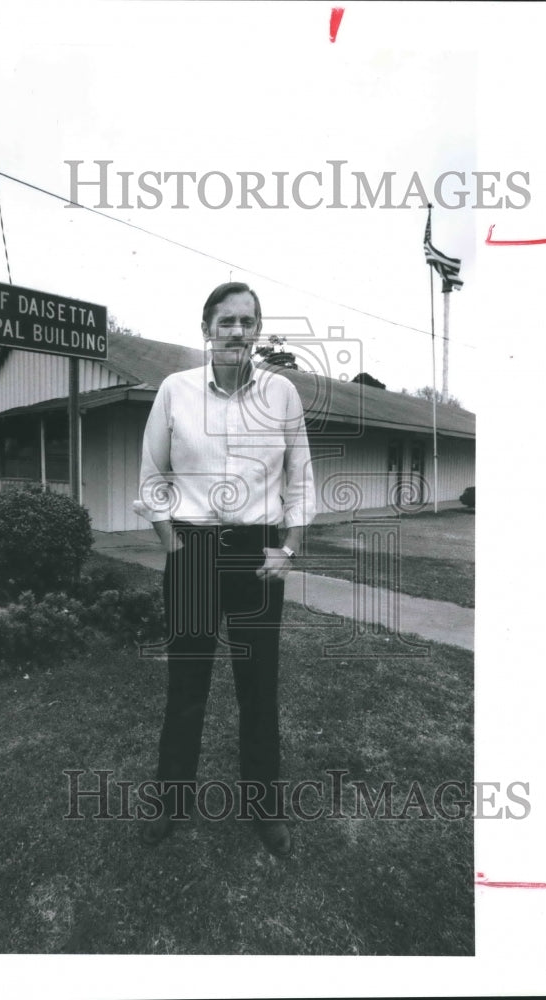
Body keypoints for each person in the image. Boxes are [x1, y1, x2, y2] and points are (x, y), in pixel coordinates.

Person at [133, 281, 316, 858]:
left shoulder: (281, 393)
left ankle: (264, 809)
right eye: (226, 321)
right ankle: (171, 803)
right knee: (187, 687)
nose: (238, 331)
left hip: (257, 556)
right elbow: (151, 474)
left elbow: (301, 476)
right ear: (206, 329)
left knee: (258, 690)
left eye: (248, 321)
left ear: (258, 330)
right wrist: (171, 542)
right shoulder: (175, 390)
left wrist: (286, 548)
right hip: (191, 552)